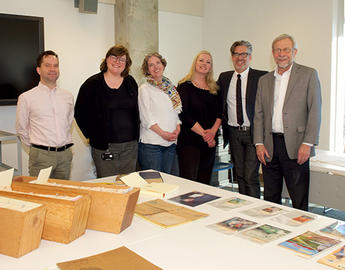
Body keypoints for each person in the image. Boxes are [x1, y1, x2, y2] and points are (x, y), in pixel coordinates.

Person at [254, 34, 322, 210]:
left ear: (294, 52)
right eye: (278, 50)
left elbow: (315, 110)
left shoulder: (308, 74)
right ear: (272, 53)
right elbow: (259, 114)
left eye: (286, 49)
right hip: (269, 146)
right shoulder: (264, 80)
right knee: (270, 197)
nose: (281, 54)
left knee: (298, 197)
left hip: (296, 145)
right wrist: (259, 143)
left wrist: (308, 143)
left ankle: (301, 233)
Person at [74, 45, 139, 178]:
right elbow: (79, 112)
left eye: (122, 59)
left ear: (126, 64)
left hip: (130, 146)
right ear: (106, 59)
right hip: (104, 146)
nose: (117, 62)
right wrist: (90, 136)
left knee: (128, 184)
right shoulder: (92, 84)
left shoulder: (130, 82)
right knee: (107, 184)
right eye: (114, 57)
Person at [218, 40, 267, 198]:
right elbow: (217, 103)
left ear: (250, 57)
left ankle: (254, 211)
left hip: (253, 133)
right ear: (232, 57)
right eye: (237, 54)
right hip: (233, 133)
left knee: (250, 175)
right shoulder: (224, 78)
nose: (240, 58)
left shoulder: (261, 77)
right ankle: (243, 207)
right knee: (239, 174)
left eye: (244, 54)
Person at [16, 50, 74, 179]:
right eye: (47, 65)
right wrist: (37, 148)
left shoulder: (68, 96)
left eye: (55, 65)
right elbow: (21, 129)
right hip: (41, 156)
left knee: (62, 194)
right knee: (40, 195)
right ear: (38, 70)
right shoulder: (27, 97)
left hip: (65, 156)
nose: (52, 69)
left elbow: (68, 123)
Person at [177, 50, 222, 185]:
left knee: (205, 182)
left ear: (211, 67)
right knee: (190, 182)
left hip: (210, 142)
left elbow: (220, 114)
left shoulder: (215, 88)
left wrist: (212, 133)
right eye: (201, 60)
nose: (204, 64)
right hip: (190, 142)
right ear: (195, 63)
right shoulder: (184, 86)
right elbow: (184, 114)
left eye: (208, 62)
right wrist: (204, 134)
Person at [138, 53, 182, 174]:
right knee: (155, 186)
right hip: (152, 145)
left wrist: (177, 128)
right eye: (151, 65)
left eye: (158, 63)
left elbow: (175, 112)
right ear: (147, 70)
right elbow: (146, 118)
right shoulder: (144, 89)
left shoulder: (170, 87)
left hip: (171, 143)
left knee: (171, 183)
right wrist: (163, 134)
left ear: (163, 64)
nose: (155, 67)